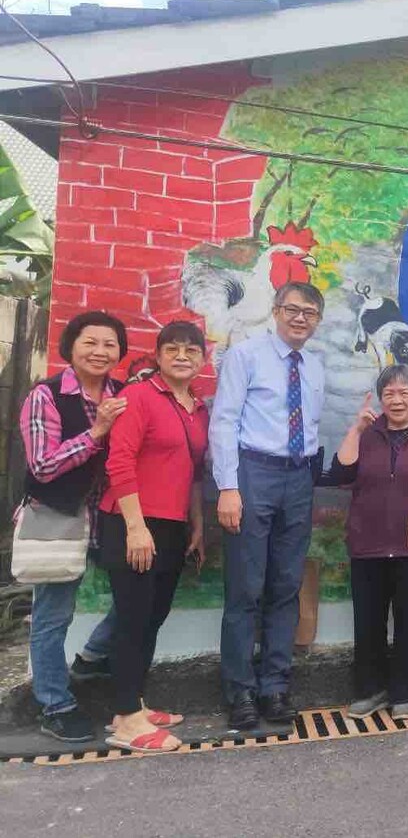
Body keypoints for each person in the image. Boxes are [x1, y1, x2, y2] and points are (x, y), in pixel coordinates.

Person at [211, 282, 327, 731]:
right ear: (276, 311)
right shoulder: (246, 355)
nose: (300, 318)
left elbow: (311, 428)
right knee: (245, 588)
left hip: (299, 477)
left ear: (317, 320)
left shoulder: (315, 367)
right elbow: (224, 421)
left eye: (309, 312)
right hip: (252, 474)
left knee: (285, 585)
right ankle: (239, 691)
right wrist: (228, 486)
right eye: (292, 309)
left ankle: (274, 686)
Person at [324, 365, 408, 722]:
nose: (396, 400)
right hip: (368, 545)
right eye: (389, 393)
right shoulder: (368, 433)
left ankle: (404, 691)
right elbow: (341, 474)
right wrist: (356, 429)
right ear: (380, 398)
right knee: (367, 622)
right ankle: (371, 690)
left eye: (404, 393)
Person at [100, 322, 209, 754]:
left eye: (191, 350)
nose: (182, 356)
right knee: (132, 620)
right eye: (173, 349)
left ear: (203, 359)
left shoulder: (196, 409)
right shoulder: (137, 396)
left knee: (152, 618)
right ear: (159, 355)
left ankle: (135, 704)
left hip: (172, 525)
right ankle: (126, 719)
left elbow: (193, 472)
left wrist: (196, 523)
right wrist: (135, 526)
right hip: (132, 524)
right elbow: (119, 461)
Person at [19, 311, 128, 742]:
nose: (100, 351)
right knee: (53, 614)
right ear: (72, 346)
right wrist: (97, 430)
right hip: (58, 517)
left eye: (110, 344)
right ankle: (54, 703)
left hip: (108, 515)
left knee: (138, 594)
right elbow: (43, 466)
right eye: (91, 342)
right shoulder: (45, 395)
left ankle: (93, 655)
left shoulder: (121, 393)